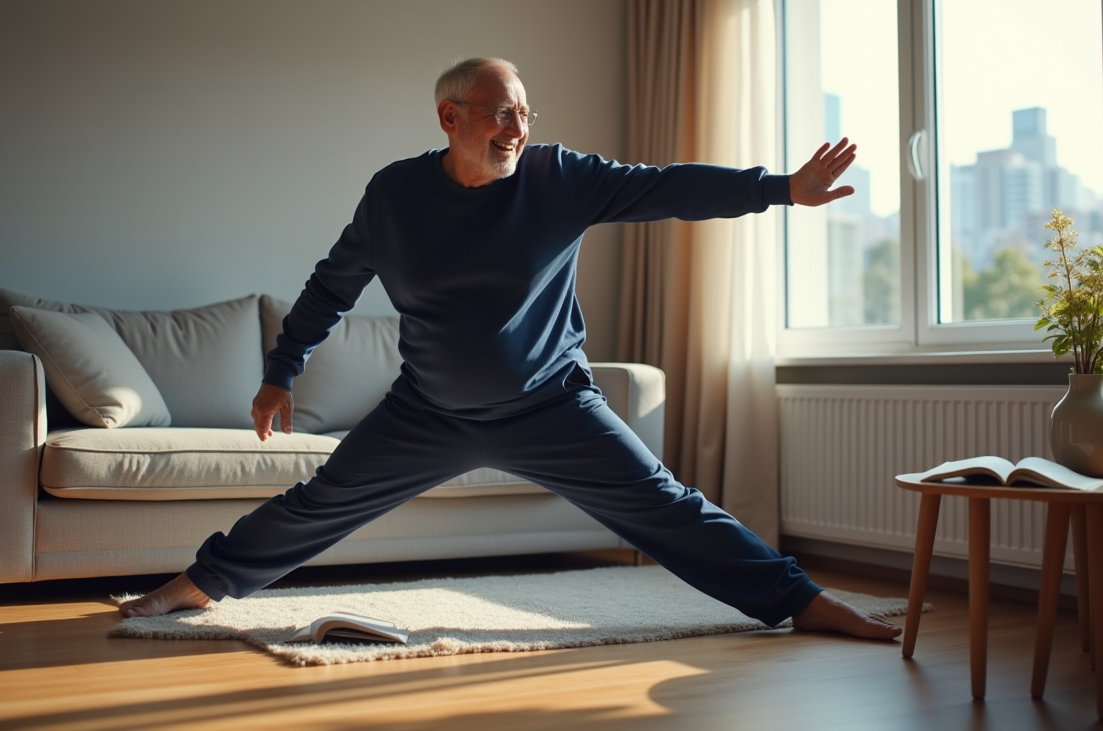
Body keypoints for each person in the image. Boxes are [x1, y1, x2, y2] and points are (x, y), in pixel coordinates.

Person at [120, 57, 901, 640]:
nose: (517, 128)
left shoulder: (559, 177)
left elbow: (666, 187)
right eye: (499, 114)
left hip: (551, 406)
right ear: (449, 118)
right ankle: (195, 585)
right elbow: (333, 283)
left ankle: (803, 601)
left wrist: (778, 189)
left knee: (667, 508)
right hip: (426, 412)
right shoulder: (394, 195)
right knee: (319, 504)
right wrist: (279, 373)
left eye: (523, 112)